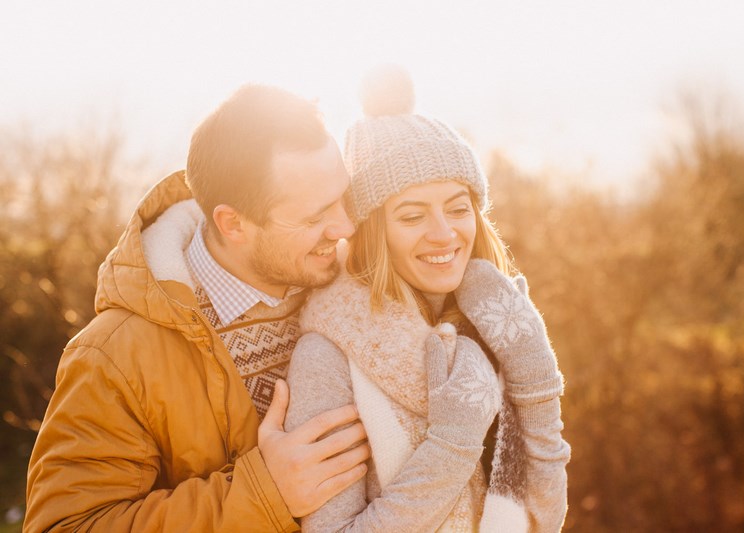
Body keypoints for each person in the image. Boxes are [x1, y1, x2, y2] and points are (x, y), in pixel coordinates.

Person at [24, 85, 371, 532]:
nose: (344, 228)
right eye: (314, 217)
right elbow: (65, 526)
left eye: (343, 198)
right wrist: (265, 494)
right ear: (233, 224)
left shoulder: (366, 289)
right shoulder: (114, 357)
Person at [285, 67, 571, 532]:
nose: (445, 234)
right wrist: (453, 445)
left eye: (458, 208)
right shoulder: (328, 357)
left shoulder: (494, 323)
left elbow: (544, 518)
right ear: (373, 231)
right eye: (413, 215)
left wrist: (536, 385)